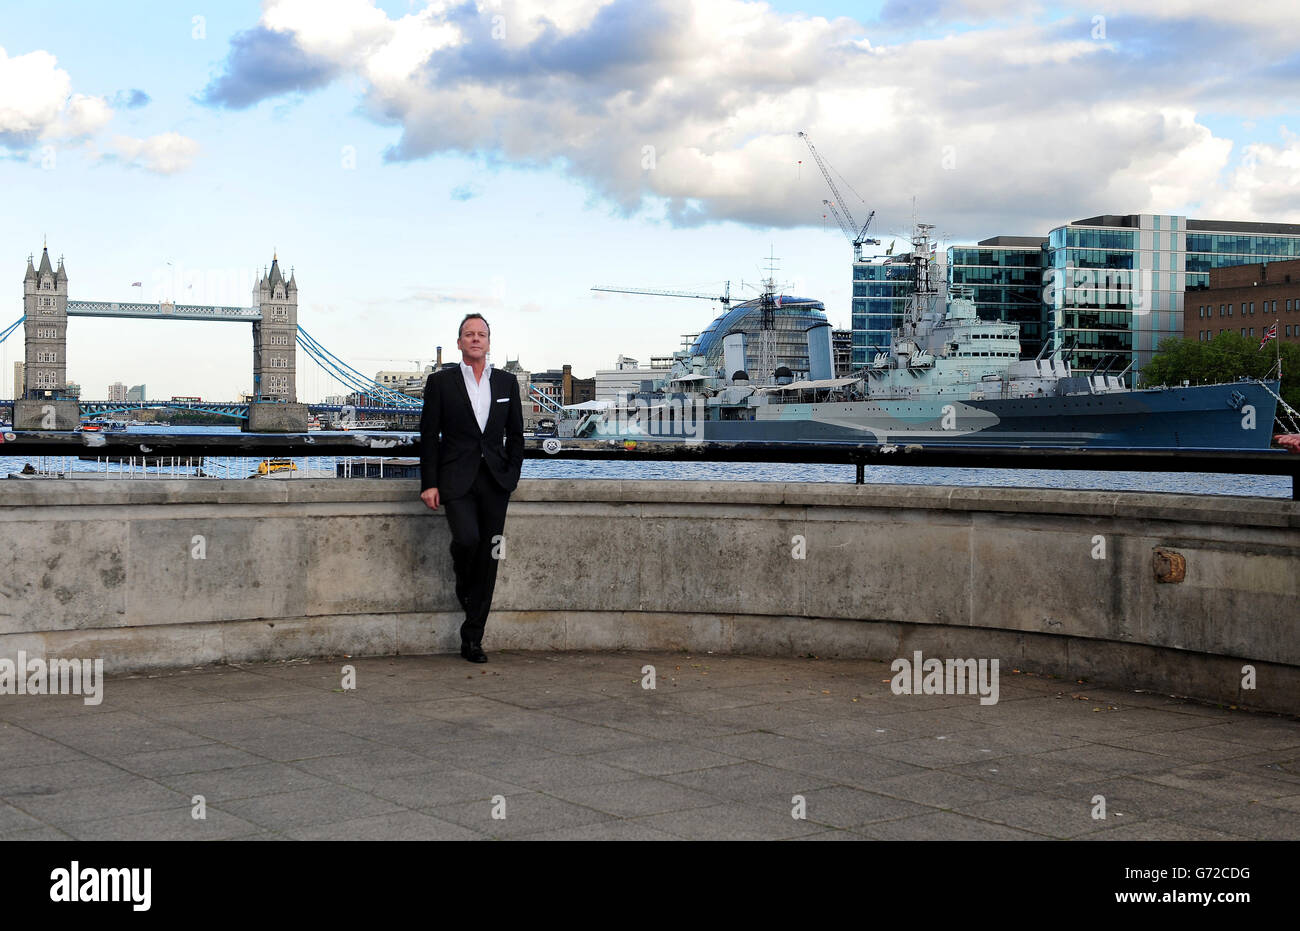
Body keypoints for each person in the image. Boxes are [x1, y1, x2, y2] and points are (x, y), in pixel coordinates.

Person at [418, 313, 524, 663]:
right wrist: (429, 483)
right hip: (455, 479)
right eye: (469, 334)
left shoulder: (508, 383)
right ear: (459, 342)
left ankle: (473, 637)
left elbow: (518, 437)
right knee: (466, 541)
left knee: (491, 555)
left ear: (489, 342)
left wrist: (511, 476)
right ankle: (464, 587)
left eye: (481, 334)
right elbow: (429, 437)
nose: (475, 339)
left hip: (495, 481)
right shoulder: (441, 382)